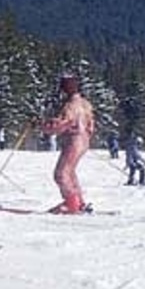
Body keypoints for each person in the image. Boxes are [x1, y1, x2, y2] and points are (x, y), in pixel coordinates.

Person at [41, 73, 95, 214]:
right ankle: (79, 202)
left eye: (63, 86)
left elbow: (62, 124)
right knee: (70, 172)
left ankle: (72, 203)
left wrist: (42, 126)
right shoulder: (85, 103)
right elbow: (91, 124)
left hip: (73, 140)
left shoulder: (70, 105)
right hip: (83, 140)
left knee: (61, 173)